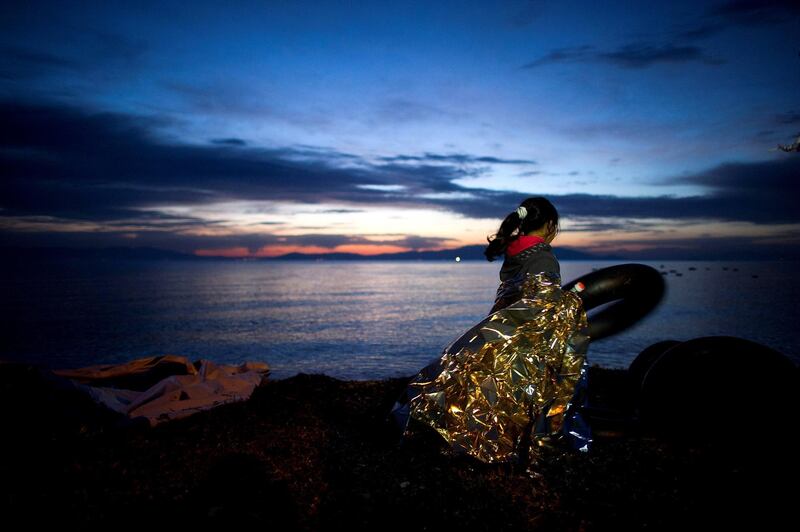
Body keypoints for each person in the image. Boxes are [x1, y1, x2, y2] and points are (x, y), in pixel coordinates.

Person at [391, 197, 591, 464]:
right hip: (524, 340)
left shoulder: (515, 252)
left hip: (500, 333)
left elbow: (514, 301)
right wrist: (572, 302)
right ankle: (538, 441)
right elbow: (541, 307)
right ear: (551, 225)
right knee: (565, 376)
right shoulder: (543, 256)